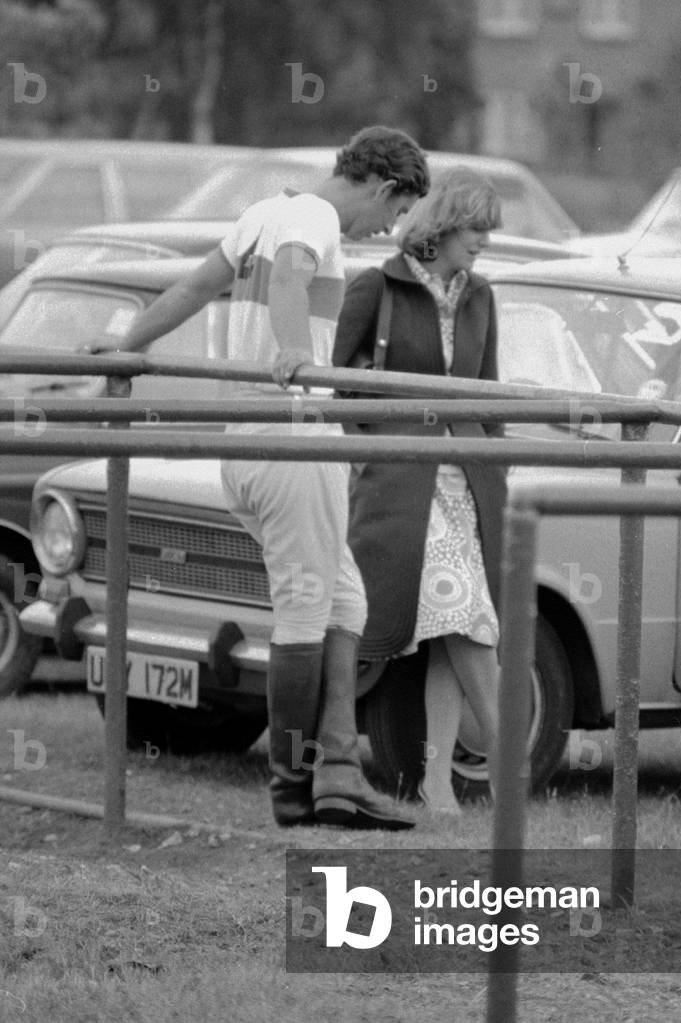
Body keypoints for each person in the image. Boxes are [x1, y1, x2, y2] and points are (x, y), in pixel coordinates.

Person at [115, 126, 430, 830]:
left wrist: (125, 344)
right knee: (304, 607)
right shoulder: (314, 219)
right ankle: (292, 785)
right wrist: (295, 354)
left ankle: (338, 772)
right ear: (383, 186)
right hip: (290, 435)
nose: (388, 229)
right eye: (396, 212)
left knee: (344, 605)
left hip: (253, 441)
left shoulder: (262, 211)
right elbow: (290, 276)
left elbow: (197, 286)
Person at [332, 168, 506, 814]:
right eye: (476, 229)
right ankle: (509, 761)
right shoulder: (375, 284)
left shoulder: (482, 294)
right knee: (463, 614)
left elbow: (490, 394)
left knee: (453, 626)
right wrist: (370, 451)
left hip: (468, 482)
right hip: (404, 482)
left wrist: (497, 469)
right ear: (442, 226)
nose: (484, 242)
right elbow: (337, 386)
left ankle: (437, 784)